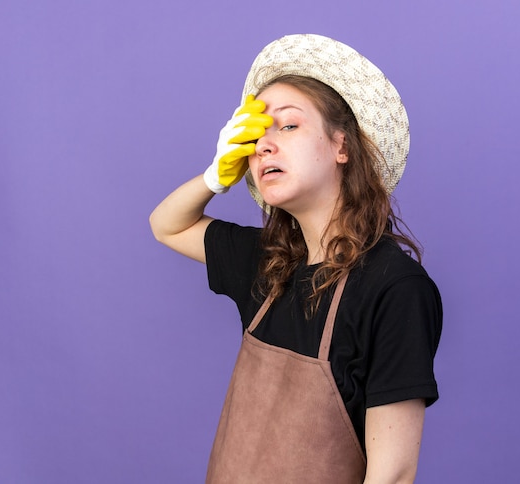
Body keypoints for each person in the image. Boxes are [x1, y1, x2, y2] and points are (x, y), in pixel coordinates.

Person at [150, 34, 442, 484]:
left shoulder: (394, 286)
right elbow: (167, 224)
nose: (264, 145)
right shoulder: (267, 264)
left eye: (287, 126)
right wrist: (215, 174)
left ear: (342, 147)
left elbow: (394, 474)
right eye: (255, 134)